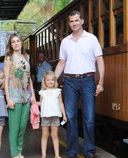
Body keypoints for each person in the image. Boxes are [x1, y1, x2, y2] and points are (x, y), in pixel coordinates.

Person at [55, 10, 105, 158]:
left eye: (76, 20)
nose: (74, 23)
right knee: (70, 118)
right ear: (69, 23)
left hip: (88, 81)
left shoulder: (91, 39)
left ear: (82, 21)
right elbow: (61, 63)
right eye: (71, 21)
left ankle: (89, 151)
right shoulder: (65, 42)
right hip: (69, 81)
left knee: (89, 118)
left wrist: (100, 82)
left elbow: (100, 60)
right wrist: (51, 81)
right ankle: (72, 152)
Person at [4, 33, 36, 158]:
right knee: (14, 127)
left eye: (18, 41)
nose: (16, 43)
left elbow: (29, 78)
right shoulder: (8, 58)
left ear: (21, 43)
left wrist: (33, 95)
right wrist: (8, 98)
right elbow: (6, 79)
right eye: (13, 42)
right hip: (14, 97)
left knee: (23, 126)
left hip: (26, 96)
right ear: (11, 45)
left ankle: (19, 150)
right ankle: (14, 153)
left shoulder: (26, 56)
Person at [39, 70, 67, 158]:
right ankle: (43, 155)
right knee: (44, 135)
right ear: (44, 81)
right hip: (45, 116)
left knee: (55, 135)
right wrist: (33, 103)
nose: (50, 82)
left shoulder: (58, 91)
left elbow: (61, 103)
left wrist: (64, 115)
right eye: (48, 80)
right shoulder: (42, 92)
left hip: (55, 116)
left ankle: (57, 155)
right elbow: (41, 103)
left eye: (52, 80)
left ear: (55, 81)